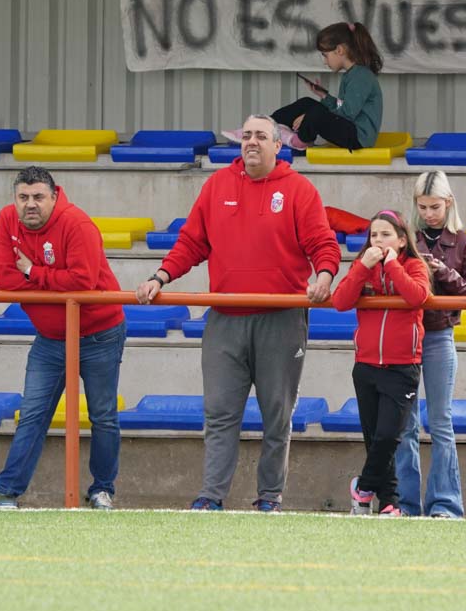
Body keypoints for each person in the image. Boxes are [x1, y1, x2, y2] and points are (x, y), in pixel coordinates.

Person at [136, 115, 340, 512]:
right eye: (246, 135)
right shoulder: (217, 186)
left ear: (279, 146)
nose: (251, 142)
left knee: (277, 416)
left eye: (261, 136)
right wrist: (160, 276)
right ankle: (211, 496)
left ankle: (269, 497)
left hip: (280, 320)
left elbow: (323, 244)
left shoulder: (299, 190)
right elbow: (192, 243)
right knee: (219, 413)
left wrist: (326, 277)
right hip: (225, 318)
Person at [0, 166, 126, 509]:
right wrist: (48, 279)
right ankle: (6, 491)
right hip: (50, 337)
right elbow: (6, 279)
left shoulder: (77, 224)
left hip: (99, 333)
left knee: (102, 415)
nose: (29, 204)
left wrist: (33, 272)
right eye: (23, 197)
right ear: (14, 199)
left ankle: (101, 490)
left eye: (38, 197)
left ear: (54, 196)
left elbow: (83, 282)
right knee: (33, 413)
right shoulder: (7, 220)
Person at [332, 209, 430, 516]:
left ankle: (362, 487)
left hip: (402, 366)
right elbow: (341, 300)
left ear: (402, 241)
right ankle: (390, 503)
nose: (378, 240)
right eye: (374, 235)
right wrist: (363, 267)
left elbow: (417, 296)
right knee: (375, 438)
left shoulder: (414, 265)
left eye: (386, 234)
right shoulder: (363, 266)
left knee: (389, 436)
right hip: (366, 365)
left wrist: (392, 267)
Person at [396, 170, 466, 517]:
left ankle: (445, 503)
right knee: (406, 422)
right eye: (423, 206)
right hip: (407, 334)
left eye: (435, 206)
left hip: (439, 335)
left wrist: (443, 272)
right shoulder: (407, 239)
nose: (430, 213)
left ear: (449, 203)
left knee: (440, 420)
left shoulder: (462, 242)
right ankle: (405, 503)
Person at [265, 21, 384, 151]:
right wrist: (324, 96)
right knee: (306, 103)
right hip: (349, 128)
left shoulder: (361, 76)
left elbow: (346, 114)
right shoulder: (351, 75)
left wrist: (308, 117)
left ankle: (301, 140)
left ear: (339, 50)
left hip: (358, 138)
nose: (325, 61)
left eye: (325, 55)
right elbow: (341, 108)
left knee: (315, 113)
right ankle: (266, 126)